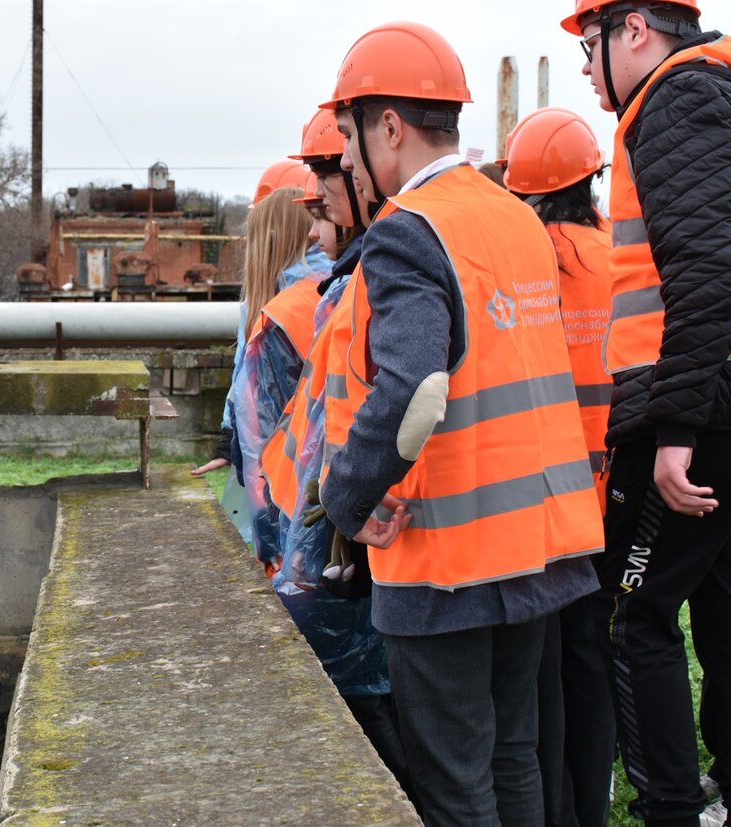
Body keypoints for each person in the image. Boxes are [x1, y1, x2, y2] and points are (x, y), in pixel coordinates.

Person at [319, 22, 604, 825]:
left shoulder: (408, 233)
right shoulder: (514, 217)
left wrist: (344, 501)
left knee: (453, 781)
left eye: (347, 135)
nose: (343, 158)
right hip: (533, 544)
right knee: (514, 759)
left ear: (389, 128)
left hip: (444, 557)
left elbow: (415, 387)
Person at [561, 1, 731, 823]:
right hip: (710, 401)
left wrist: (674, 432)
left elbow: (702, 271)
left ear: (635, 31)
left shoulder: (673, 100)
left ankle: (670, 807)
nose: (588, 69)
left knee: (629, 616)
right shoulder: (707, 92)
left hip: (690, 410)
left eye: (591, 48)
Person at [254, 110, 413, 798]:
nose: (318, 226)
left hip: (333, 553)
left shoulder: (310, 302)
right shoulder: (352, 285)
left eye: (324, 201)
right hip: (373, 553)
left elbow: (285, 446)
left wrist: (302, 553)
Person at [505, 105, 616, 827]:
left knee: (541, 669)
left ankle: (558, 812)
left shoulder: (525, 258)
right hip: (619, 488)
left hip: (545, 498)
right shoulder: (620, 253)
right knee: (595, 658)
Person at [192, 159, 323, 481]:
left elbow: (248, 382)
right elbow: (246, 378)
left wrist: (232, 443)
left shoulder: (290, 302)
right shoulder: (326, 287)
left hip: (283, 464)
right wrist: (229, 443)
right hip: (296, 462)